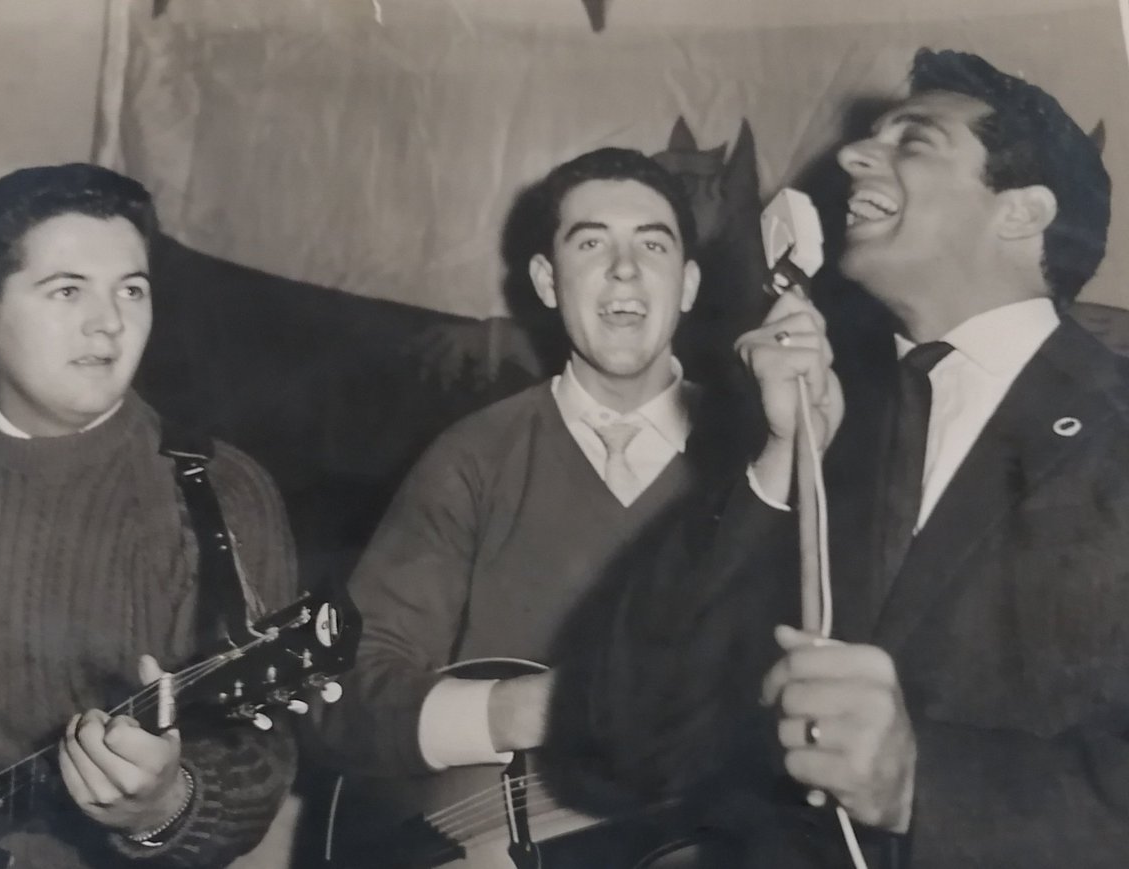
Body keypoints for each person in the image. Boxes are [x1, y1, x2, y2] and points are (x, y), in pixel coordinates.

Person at [548, 48, 1129, 869]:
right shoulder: (821, 422)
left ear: (1022, 213)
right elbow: (625, 736)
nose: (854, 154)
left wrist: (926, 784)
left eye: (914, 141)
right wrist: (781, 464)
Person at [318, 146, 838, 785]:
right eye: (591, 246)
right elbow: (346, 686)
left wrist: (794, 450)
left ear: (689, 285)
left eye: (652, 247)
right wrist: (514, 713)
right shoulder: (471, 458)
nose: (624, 271)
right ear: (546, 281)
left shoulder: (774, 451)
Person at [0, 163, 300, 868]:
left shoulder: (216, 492)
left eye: (131, 289)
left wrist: (164, 804)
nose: (109, 322)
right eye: (68, 290)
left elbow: (255, 757)